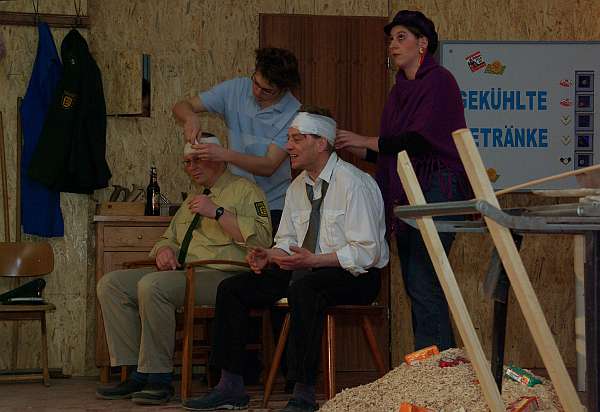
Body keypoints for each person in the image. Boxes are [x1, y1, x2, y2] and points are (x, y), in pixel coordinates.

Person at [182, 108, 389, 412]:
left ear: (321, 143)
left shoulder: (354, 183)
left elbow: (367, 252)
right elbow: (286, 243)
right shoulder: (297, 187)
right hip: (305, 269)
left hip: (354, 275)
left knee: (305, 289)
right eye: (289, 138)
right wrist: (268, 255)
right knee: (232, 288)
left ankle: (303, 391)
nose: (288, 146)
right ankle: (230, 385)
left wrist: (314, 260)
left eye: (296, 139)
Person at [95, 135, 272, 405]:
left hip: (224, 276)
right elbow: (169, 238)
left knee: (154, 286)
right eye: (187, 162)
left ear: (217, 158)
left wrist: (219, 213)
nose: (191, 167)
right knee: (112, 284)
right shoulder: (194, 197)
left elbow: (262, 241)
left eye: (197, 159)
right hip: (186, 273)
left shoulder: (246, 191)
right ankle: (135, 373)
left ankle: (158, 378)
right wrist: (164, 251)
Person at [335, 10, 471, 351]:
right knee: (416, 283)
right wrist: (355, 146)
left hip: (438, 187)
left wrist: (366, 141)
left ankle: (438, 364)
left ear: (422, 43)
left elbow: (418, 141)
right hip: (409, 190)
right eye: (390, 40)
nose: (393, 45)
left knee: (424, 280)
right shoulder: (399, 92)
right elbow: (391, 153)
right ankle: (435, 359)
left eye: (401, 38)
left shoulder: (439, 81)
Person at [172, 47, 302, 231]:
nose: (257, 92)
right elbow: (181, 106)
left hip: (271, 206)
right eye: (255, 82)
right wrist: (190, 117)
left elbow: (268, 165)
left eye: (267, 90)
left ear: (283, 89)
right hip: (234, 201)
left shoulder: (294, 113)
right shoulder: (236, 89)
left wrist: (224, 155)